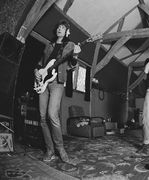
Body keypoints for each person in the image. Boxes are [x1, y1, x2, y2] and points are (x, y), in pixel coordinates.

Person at [34, 20, 81, 162]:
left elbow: (72, 66)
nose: (60, 29)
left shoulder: (70, 45)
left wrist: (76, 56)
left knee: (52, 115)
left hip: (57, 82)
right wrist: (36, 71)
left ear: (67, 31)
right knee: (42, 118)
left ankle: (60, 149)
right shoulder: (49, 45)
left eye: (63, 28)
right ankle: (50, 150)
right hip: (43, 83)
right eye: (58, 27)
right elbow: (41, 63)